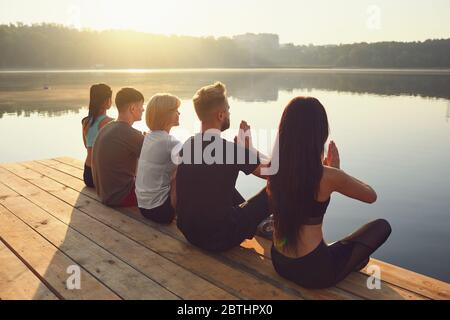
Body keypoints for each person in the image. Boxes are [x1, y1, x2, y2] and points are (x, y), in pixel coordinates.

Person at [268, 97, 392, 289]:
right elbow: (371, 196)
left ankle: (350, 260)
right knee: (382, 227)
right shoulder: (328, 176)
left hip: (279, 261)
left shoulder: (275, 168)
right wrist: (338, 173)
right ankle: (351, 262)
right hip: (314, 272)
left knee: (348, 252)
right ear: (320, 133)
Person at [175, 82, 271, 252]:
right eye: (228, 109)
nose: (229, 113)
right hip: (220, 238)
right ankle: (279, 235)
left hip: (189, 233)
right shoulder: (230, 150)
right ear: (220, 115)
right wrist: (250, 150)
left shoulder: (188, 145)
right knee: (274, 189)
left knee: (215, 183)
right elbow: (273, 173)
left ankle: (258, 223)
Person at [92, 87, 145, 207]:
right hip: (120, 197)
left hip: (105, 194)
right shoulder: (127, 132)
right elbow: (157, 160)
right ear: (133, 108)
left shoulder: (107, 127)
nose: (143, 109)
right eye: (141, 105)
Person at [135, 94, 181, 224]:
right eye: (175, 110)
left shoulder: (149, 137)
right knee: (188, 170)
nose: (179, 113)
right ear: (166, 115)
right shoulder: (169, 141)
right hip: (162, 211)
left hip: (144, 207)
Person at [81, 84, 114, 188]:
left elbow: (87, 145)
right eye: (110, 98)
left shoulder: (85, 121)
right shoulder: (110, 122)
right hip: (100, 176)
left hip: (88, 175)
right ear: (106, 101)